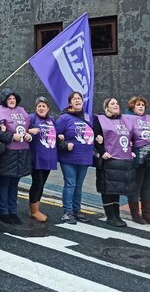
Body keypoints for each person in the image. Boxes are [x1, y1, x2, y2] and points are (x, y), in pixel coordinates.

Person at [93, 98, 136, 227]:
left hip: (121, 160)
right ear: (107, 107)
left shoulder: (124, 121)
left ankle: (116, 215)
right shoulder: (100, 120)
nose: (116, 105)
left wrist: (131, 149)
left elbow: (131, 137)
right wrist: (102, 152)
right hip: (108, 160)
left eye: (117, 103)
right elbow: (96, 137)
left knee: (116, 189)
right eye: (112, 104)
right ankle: (110, 216)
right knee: (107, 189)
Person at [0, 89, 34, 224]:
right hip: (7, 152)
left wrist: (29, 135)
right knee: (4, 183)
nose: (12, 100)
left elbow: (30, 128)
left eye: (14, 98)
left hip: (22, 152)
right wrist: (12, 136)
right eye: (9, 98)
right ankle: (4, 212)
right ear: (4, 99)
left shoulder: (22, 111)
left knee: (15, 184)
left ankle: (13, 211)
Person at [124, 96, 150, 225]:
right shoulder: (126, 119)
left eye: (143, 104)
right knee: (135, 186)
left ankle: (147, 213)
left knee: (147, 186)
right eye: (138, 105)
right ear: (132, 107)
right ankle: (135, 214)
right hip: (136, 159)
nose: (141, 107)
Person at [55, 91, 95, 224]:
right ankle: (67, 212)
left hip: (84, 157)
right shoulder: (64, 118)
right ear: (70, 103)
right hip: (69, 158)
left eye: (79, 98)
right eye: (75, 99)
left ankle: (77, 211)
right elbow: (55, 136)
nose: (78, 100)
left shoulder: (88, 117)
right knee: (71, 184)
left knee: (79, 186)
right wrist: (65, 145)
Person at [28, 96, 58, 222]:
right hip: (36, 157)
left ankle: (36, 208)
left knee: (42, 184)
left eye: (43, 106)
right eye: (39, 106)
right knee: (37, 183)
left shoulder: (51, 120)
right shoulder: (31, 118)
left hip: (49, 158)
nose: (41, 108)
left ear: (48, 108)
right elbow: (22, 129)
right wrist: (30, 130)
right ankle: (34, 211)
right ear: (35, 108)